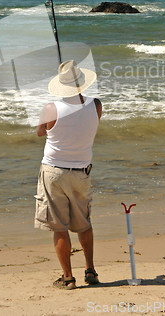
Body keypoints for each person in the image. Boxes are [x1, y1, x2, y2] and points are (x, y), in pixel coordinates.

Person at [35, 59, 102, 290]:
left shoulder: (50, 108)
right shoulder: (96, 105)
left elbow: (40, 132)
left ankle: (68, 277)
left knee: (59, 227)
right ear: (81, 82)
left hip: (53, 172)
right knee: (84, 224)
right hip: (81, 171)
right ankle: (90, 270)